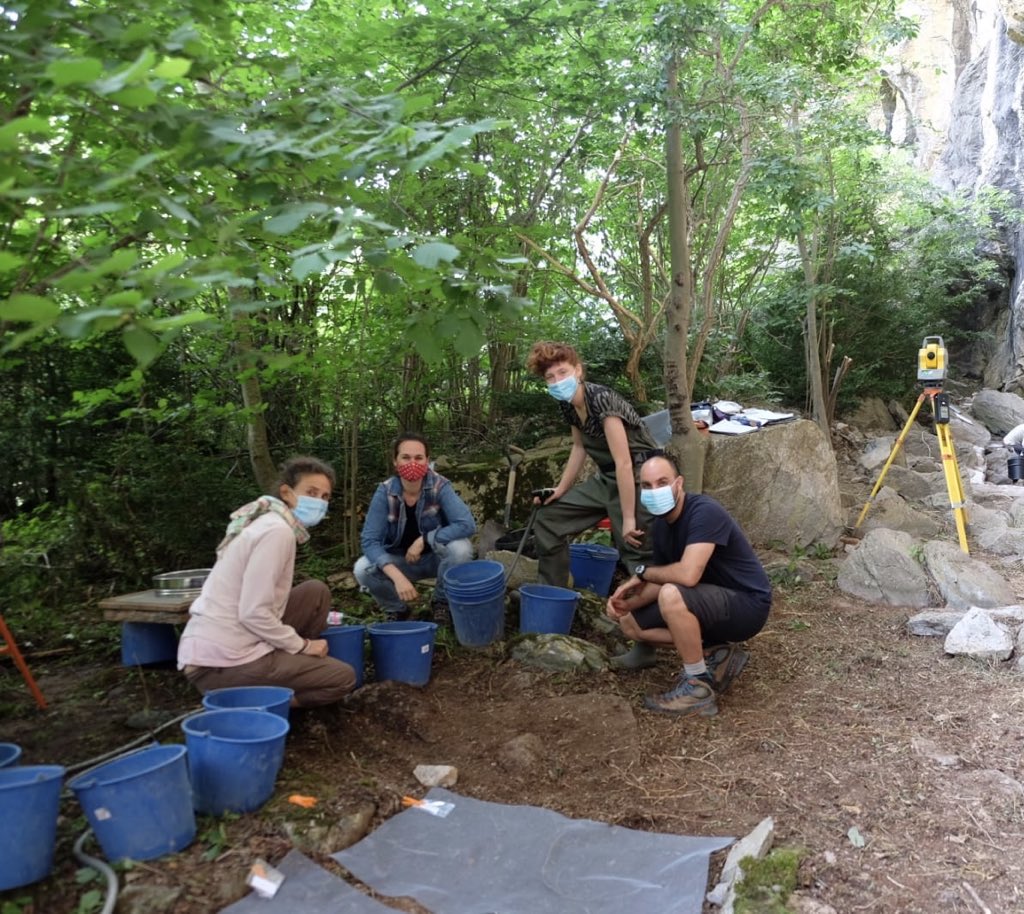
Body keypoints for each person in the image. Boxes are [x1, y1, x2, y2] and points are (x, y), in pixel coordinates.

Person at [178, 456, 356, 708]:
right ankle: (268, 700)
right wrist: (304, 646)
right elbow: (253, 613)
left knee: (315, 592)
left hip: (233, 641)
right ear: (287, 492)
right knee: (342, 678)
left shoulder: (272, 522)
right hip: (219, 663)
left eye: (325, 497)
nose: (318, 502)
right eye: (311, 492)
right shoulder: (277, 532)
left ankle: (282, 667)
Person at [605, 454, 772, 717]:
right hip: (706, 602)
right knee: (630, 621)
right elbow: (661, 578)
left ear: (679, 483)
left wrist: (642, 572)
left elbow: (686, 576)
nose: (654, 491)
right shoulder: (662, 525)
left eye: (662, 482)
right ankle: (716, 652)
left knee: (673, 594)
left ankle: (697, 687)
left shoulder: (704, 512)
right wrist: (624, 603)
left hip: (746, 605)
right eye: (646, 486)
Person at [525, 341, 660, 587]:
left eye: (562, 372)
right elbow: (579, 447)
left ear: (578, 370)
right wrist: (560, 490)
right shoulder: (568, 406)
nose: (557, 381)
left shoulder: (601, 399)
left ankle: (650, 608)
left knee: (635, 544)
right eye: (550, 377)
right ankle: (552, 594)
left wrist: (628, 518)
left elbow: (624, 463)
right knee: (548, 518)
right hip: (607, 479)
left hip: (639, 477)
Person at [354, 433, 476, 623]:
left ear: (427, 461)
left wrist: (424, 539)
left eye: (419, 458)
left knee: (461, 548)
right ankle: (397, 609)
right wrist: (397, 576)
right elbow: (369, 540)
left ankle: (441, 603)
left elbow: (466, 524)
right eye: (406, 457)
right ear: (395, 461)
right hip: (400, 561)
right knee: (362, 568)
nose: (413, 463)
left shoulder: (439, 485)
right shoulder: (385, 492)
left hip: (437, 558)